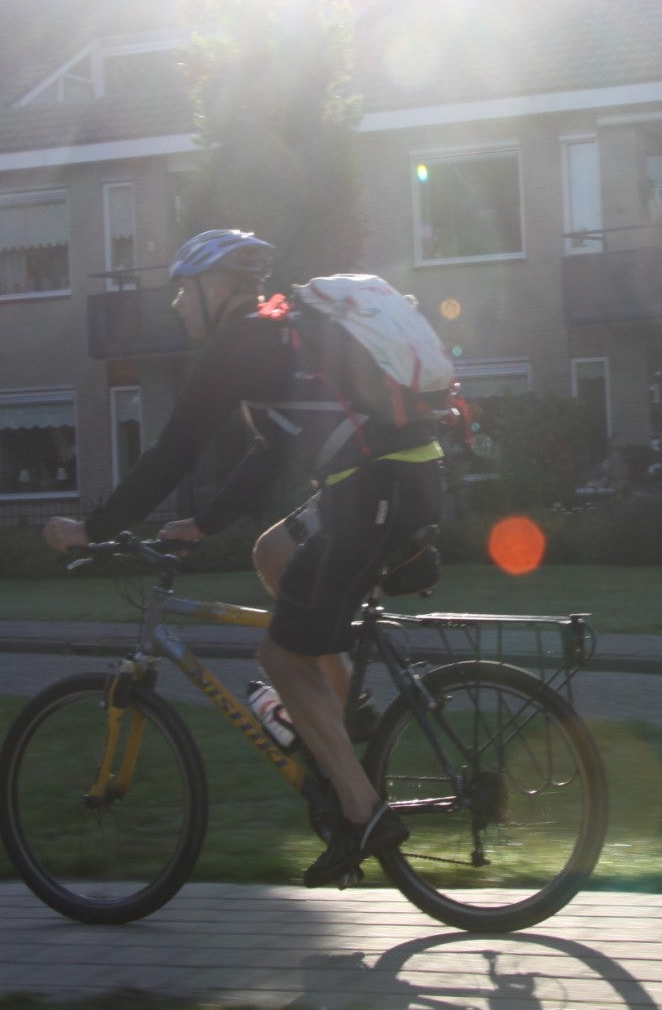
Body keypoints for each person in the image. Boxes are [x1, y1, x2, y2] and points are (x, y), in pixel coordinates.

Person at [42, 229, 444, 887]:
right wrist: (204, 523)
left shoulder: (242, 342)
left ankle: (363, 813)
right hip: (394, 479)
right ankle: (350, 709)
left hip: (371, 491)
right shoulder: (280, 337)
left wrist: (93, 528)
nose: (178, 305)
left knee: (281, 658)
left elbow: (175, 449)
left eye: (183, 289)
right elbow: (273, 453)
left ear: (215, 286)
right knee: (274, 552)